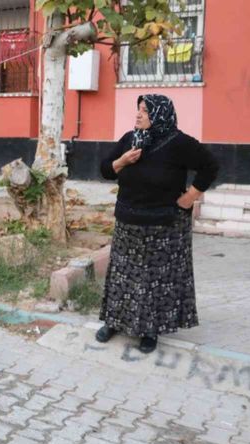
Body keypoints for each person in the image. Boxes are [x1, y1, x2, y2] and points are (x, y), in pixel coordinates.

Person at [96, 94, 219, 354]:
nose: (138, 114)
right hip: (128, 224)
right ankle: (114, 322)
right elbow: (105, 169)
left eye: (144, 111)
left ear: (160, 115)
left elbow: (210, 166)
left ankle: (150, 329)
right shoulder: (131, 140)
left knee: (154, 280)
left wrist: (190, 197)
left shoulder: (179, 143)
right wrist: (122, 161)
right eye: (138, 110)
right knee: (122, 276)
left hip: (163, 227)